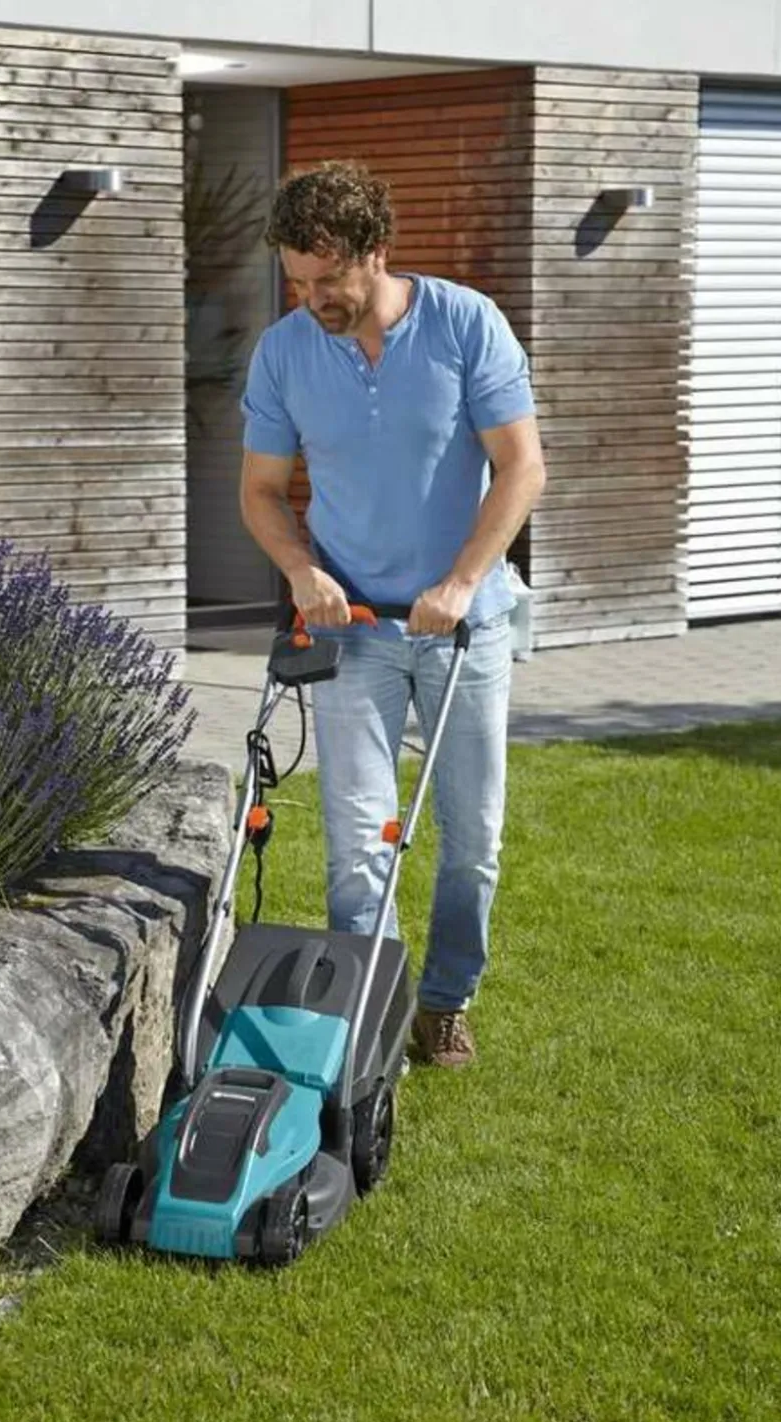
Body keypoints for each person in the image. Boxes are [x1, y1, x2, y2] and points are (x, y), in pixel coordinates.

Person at [239, 161, 545, 1069]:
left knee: (471, 840)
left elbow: (522, 466)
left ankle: (445, 1001)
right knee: (356, 846)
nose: (314, 299)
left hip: (464, 625)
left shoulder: (464, 324)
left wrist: (460, 581)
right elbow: (260, 490)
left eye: (328, 278)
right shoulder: (284, 352)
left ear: (377, 251)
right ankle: (370, 1016)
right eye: (298, 281)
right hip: (353, 630)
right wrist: (301, 570)